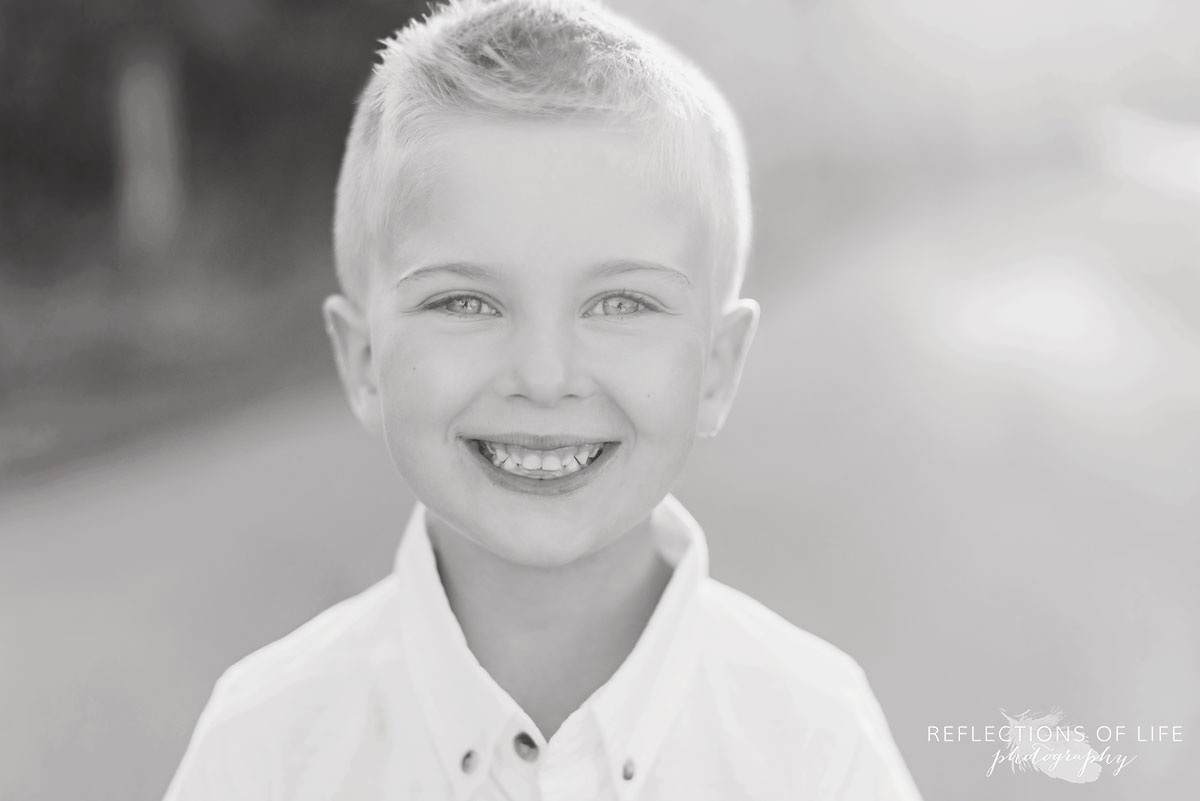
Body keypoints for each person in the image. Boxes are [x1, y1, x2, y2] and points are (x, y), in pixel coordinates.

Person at [164, 0, 924, 798]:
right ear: (362, 361)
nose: (544, 373)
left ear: (717, 366)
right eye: (465, 302)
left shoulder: (815, 741)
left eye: (622, 302)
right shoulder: (263, 747)